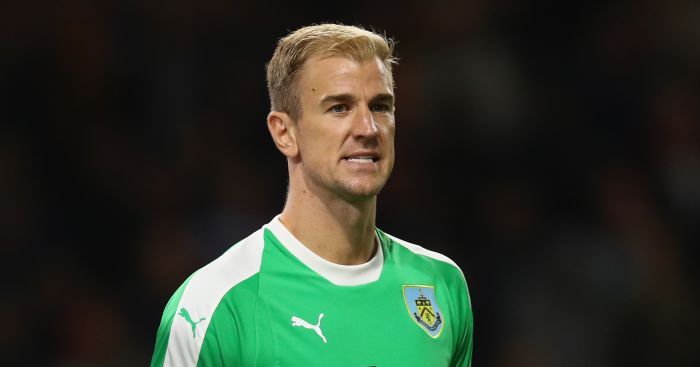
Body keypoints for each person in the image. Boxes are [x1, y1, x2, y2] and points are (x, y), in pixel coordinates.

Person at [150, 23, 473, 366]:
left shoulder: (441, 283)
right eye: (339, 107)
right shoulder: (211, 304)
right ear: (284, 132)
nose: (368, 128)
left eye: (380, 106)